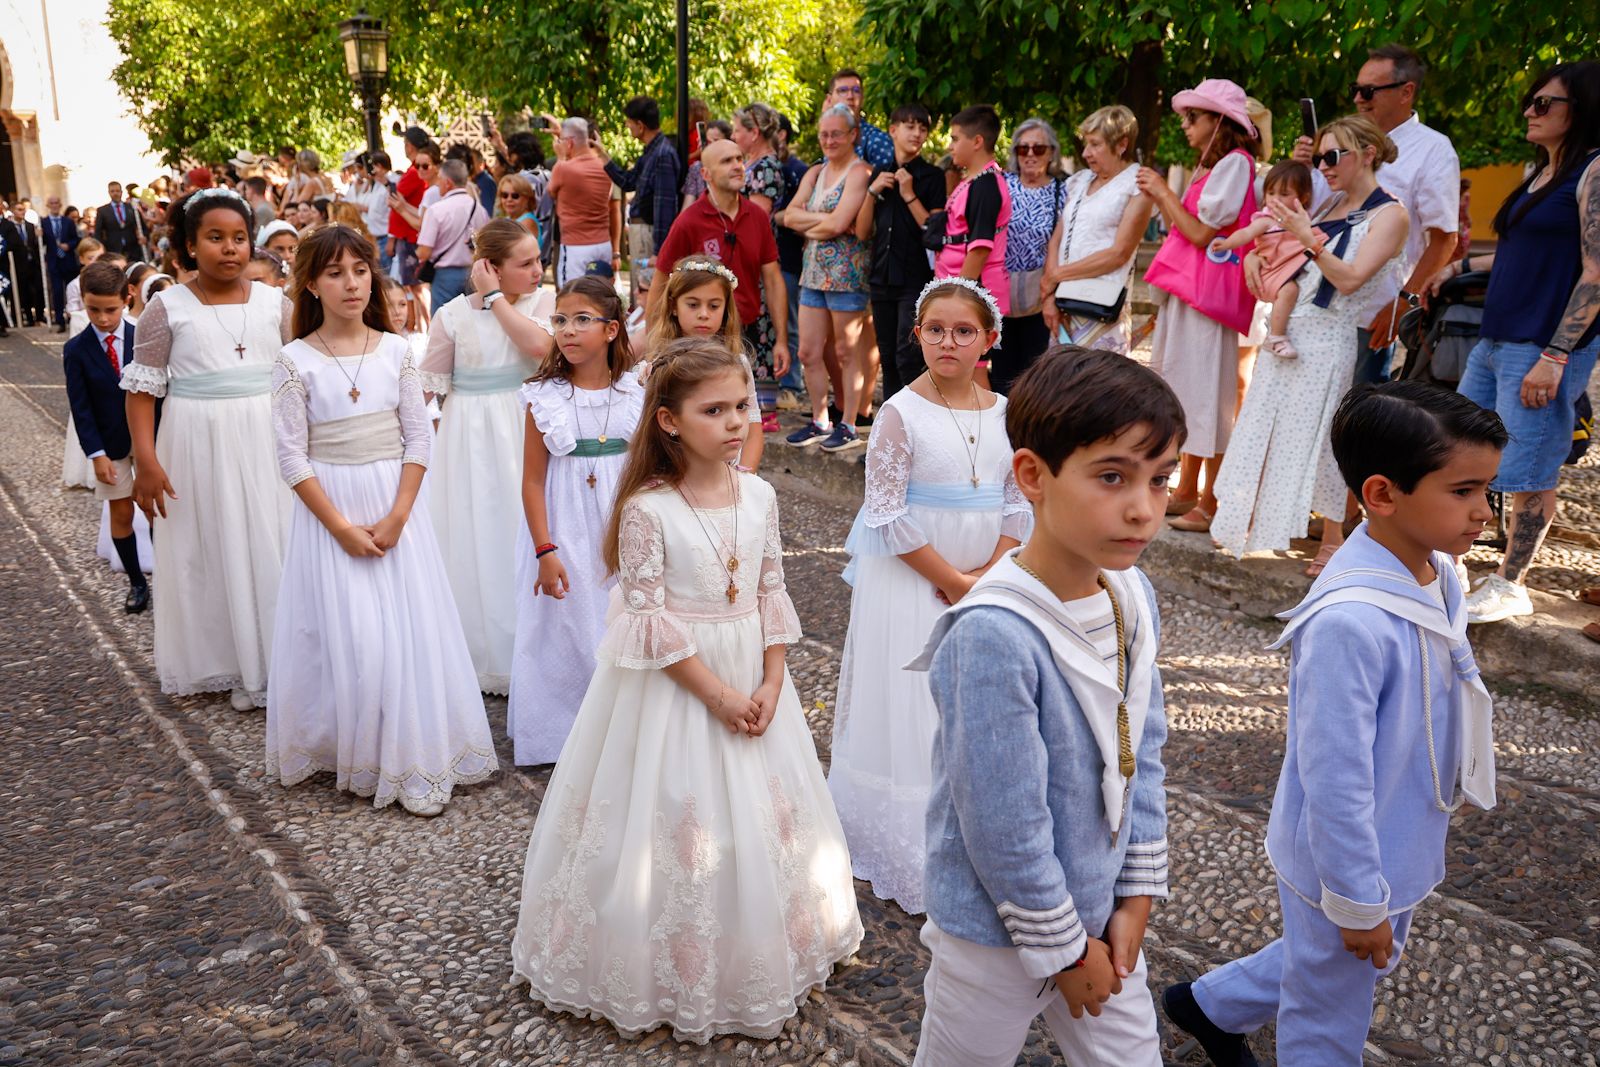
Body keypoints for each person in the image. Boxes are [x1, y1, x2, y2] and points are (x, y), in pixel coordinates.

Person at [510, 337, 863, 1044]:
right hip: (680, 687)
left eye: (743, 406)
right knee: (678, 814)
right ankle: (663, 960)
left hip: (754, 676)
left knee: (763, 818)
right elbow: (650, 621)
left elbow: (771, 592)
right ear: (670, 421)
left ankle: (764, 943)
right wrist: (721, 696)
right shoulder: (648, 508)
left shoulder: (760, 494)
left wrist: (769, 678)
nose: (736, 422)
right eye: (715, 410)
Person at [1167, 381, 1504, 1066]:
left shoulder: (1438, 570)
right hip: (1345, 857)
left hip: (1400, 833)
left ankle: (1208, 1005)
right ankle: (1219, 1006)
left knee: (1339, 958)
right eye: (1464, 491)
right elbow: (1334, 773)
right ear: (1382, 495)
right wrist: (1355, 898)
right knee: (1330, 1012)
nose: (1484, 514)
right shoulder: (1350, 621)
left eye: (1487, 490)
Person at [908, 346, 1181, 1067]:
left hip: (1103, 912)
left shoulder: (1131, 594)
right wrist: (1061, 947)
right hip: (996, 934)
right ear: (1032, 475)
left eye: (1161, 480)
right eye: (1113, 476)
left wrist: (1137, 894)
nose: (1143, 507)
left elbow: (1140, 750)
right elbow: (1002, 820)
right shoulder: (994, 630)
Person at [266, 223, 496, 816]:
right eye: (335, 273)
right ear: (311, 284)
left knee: (403, 633)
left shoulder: (397, 352)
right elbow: (292, 456)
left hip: (396, 509)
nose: (351, 283)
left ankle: (410, 753)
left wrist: (398, 515)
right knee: (355, 636)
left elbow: (419, 440)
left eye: (360, 270)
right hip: (332, 510)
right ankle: (356, 748)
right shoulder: (294, 361)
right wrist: (340, 526)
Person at [829, 278, 1030, 915]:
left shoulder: (1005, 412)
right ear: (917, 336)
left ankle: (973, 831)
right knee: (917, 698)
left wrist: (992, 573)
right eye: (935, 330)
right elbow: (885, 513)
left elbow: (1017, 497)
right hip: (914, 574)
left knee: (975, 701)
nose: (949, 342)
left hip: (987, 572)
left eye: (963, 331)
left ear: (988, 341)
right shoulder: (898, 412)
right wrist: (951, 580)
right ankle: (907, 843)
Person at [1436, 61, 1600, 624]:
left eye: (1544, 104)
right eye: (1530, 101)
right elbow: (1521, 251)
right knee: (1463, 448)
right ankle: (1457, 565)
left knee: (1528, 468)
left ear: (1581, 110)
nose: (1529, 111)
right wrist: (1459, 264)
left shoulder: (1593, 171)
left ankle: (1512, 582)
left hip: (1543, 345)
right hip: (1497, 336)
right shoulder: (1542, 174)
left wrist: (1556, 356)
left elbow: (1595, 272)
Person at [1213, 117, 1409, 575]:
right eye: (1319, 157)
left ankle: (1335, 540)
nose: (1323, 166)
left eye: (1333, 156)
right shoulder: (1330, 205)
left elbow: (1351, 278)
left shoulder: (1391, 214)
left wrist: (1307, 239)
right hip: (1288, 331)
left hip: (1328, 337)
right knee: (1265, 426)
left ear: (1367, 153)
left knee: (1326, 440)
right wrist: (1252, 261)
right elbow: (1285, 257)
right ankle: (1256, 521)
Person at [123, 188, 294, 711]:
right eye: (215, 238)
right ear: (189, 247)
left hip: (265, 435)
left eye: (239, 238)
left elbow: (300, 369)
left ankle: (279, 660)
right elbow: (141, 389)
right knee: (212, 543)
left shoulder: (275, 303)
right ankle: (229, 657)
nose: (229, 249)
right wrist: (146, 461)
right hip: (197, 440)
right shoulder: (166, 308)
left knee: (273, 539)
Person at [505, 277, 643, 765]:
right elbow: (532, 481)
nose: (567, 329)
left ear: (611, 329)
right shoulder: (543, 397)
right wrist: (545, 549)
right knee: (564, 624)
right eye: (560, 319)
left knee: (620, 618)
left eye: (582, 319)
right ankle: (561, 734)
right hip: (563, 524)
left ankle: (624, 733)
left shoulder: (635, 390)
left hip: (622, 520)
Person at [421, 218, 555, 694]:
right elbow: (426, 391)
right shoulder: (452, 316)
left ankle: (535, 644)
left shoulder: (544, 304)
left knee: (523, 530)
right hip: (469, 439)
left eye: (539, 259)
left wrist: (497, 301)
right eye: (526, 263)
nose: (539, 269)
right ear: (489, 268)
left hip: (523, 431)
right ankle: (481, 651)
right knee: (478, 535)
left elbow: (541, 349)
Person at [1295, 44, 1461, 386]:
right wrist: (1303, 168)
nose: (1358, 98)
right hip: (1310, 300)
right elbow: (1312, 211)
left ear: (1406, 92)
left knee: (1353, 420)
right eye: (1355, 89)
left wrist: (1406, 302)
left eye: (1368, 90)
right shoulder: (1338, 141)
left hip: (1368, 311)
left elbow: (1444, 238)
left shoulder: (1434, 150)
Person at [1140, 78, 1261, 534]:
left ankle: (1213, 499)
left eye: (1195, 117)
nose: (1186, 126)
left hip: (1206, 302)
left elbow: (1200, 233)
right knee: (1189, 391)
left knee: (1208, 396)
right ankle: (1190, 488)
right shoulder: (1217, 167)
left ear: (1220, 122)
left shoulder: (1235, 164)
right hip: (1191, 295)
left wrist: (1162, 192)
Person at [650, 139, 789, 439]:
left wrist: (781, 339)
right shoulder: (688, 221)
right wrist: (655, 341)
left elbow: (773, 279)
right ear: (706, 174)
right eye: (727, 161)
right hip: (697, 339)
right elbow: (661, 280)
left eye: (740, 158)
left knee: (751, 421)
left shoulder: (757, 217)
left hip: (749, 334)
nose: (738, 165)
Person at [780, 104, 873, 453]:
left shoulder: (859, 172)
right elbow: (789, 216)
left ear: (852, 135)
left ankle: (848, 423)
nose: (829, 140)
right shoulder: (815, 173)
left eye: (836, 133)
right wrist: (828, 223)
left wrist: (816, 221)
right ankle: (820, 420)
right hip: (813, 273)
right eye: (824, 134)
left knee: (846, 352)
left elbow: (841, 222)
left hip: (847, 276)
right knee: (807, 351)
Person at [63, 260, 147, 611]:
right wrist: (95, 454)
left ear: (127, 299)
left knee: (159, 511)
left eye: (110, 309)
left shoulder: (144, 337)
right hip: (109, 445)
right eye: (92, 309)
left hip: (149, 441)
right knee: (122, 512)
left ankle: (172, 577)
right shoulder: (77, 350)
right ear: (83, 301)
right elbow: (81, 409)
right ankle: (137, 582)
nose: (101, 318)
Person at [1042, 105, 1153, 356]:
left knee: (1099, 387)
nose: (1086, 153)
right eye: (1086, 144)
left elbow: (1119, 253)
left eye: (1095, 144)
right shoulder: (1079, 181)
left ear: (1122, 144)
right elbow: (1057, 239)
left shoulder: (1137, 184)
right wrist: (1048, 294)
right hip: (1063, 302)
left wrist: (1057, 275)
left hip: (1102, 308)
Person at [855, 103, 946, 400]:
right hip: (881, 277)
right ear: (893, 131)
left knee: (910, 355)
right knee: (888, 357)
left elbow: (933, 231)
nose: (917, 133)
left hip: (915, 278)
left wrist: (908, 195)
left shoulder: (933, 176)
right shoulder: (880, 172)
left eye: (923, 128)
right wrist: (872, 192)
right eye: (910, 126)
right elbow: (861, 231)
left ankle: (919, 423)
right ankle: (892, 429)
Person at [646, 256, 767, 469]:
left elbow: (754, 430)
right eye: (693, 305)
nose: (704, 314)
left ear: (725, 308)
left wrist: (745, 480)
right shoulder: (659, 366)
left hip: (731, 478)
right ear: (674, 306)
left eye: (714, 306)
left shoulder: (737, 362)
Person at [1211, 161, 1325, 361]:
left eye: (1284, 194)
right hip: (1270, 273)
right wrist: (1227, 243)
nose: (1275, 199)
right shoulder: (1267, 220)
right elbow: (1246, 233)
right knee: (1289, 290)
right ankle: (1276, 336)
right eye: (1271, 193)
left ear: (1304, 197)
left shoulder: (1307, 221)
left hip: (1290, 272)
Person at [936, 105, 1012, 391]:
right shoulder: (975, 181)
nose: (950, 145)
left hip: (974, 293)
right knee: (962, 371)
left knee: (973, 371)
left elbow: (979, 249)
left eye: (956, 139)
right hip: (962, 289)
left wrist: (958, 299)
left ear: (977, 141)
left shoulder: (986, 185)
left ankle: (987, 433)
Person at [995, 119, 1066, 391]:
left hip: (1041, 296)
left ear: (1051, 152)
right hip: (1000, 294)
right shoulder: (1001, 184)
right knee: (1001, 374)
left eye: (1038, 148)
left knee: (1034, 373)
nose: (1031, 155)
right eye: (1023, 149)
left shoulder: (1063, 191)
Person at [601, 96, 682, 305]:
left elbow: (664, 206)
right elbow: (627, 182)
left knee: (647, 297)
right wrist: (602, 154)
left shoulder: (663, 153)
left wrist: (659, 251)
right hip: (642, 232)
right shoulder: (652, 151)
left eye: (629, 123)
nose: (627, 127)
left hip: (649, 234)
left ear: (640, 125)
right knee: (639, 294)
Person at [548, 116, 618, 286]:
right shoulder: (605, 166)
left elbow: (550, 192)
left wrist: (560, 159)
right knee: (600, 295)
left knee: (571, 297)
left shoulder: (563, 168)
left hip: (575, 247)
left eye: (562, 140)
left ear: (570, 143)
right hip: (603, 244)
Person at [416, 158, 488, 313]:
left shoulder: (436, 210)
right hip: (473, 272)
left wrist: (416, 253)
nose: (437, 184)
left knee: (444, 324)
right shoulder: (480, 210)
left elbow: (425, 251)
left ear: (448, 182)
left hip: (445, 275)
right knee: (472, 321)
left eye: (440, 179)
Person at [826, 68, 895, 169]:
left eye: (856, 91)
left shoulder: (876, 140)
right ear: (829, 99)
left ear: (862, 98)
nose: (850, 96)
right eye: (843, 90)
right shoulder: (828, 140)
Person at [1, 201, 44, 326]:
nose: (22, 212)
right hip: (18, 265)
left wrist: (39, 236)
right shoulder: (9, 227)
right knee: (22, 292)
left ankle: (39, 317)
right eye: (19, 209)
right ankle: (26, 318)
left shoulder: (31, 226)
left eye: (24, 209)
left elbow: (37, 245)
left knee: (38, 289)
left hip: (32, 263)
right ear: (13, 210)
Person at [41, 195, 79, 333]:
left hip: (68, 260)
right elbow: (40, 243)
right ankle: (60, 320)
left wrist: (69, 245)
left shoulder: (68, 222)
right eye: (52, 203)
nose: (54, 205)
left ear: (60, 204)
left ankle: (72, 316)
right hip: (54, 261)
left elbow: (76, 239)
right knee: (57, 291)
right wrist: (38, 235)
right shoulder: (43, 222)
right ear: (48, 205)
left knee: (70, 290)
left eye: (57, 202)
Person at [681, 120, 733, 209]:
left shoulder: (735, 167)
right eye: (708, 141)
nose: (711, 145)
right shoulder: (697, 168)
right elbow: (687, 206)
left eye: (716, 141)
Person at [95, 181, 146, 261]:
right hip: (113, 249)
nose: (115, 193)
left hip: (133, 248)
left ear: (121, 192)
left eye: (117, 191)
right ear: (109, 193)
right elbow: (98, 232)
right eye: (112, 191)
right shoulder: (102, 211)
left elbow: (142, 226)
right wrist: (101, 248)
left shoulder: (131, 208)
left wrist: (144, 237)